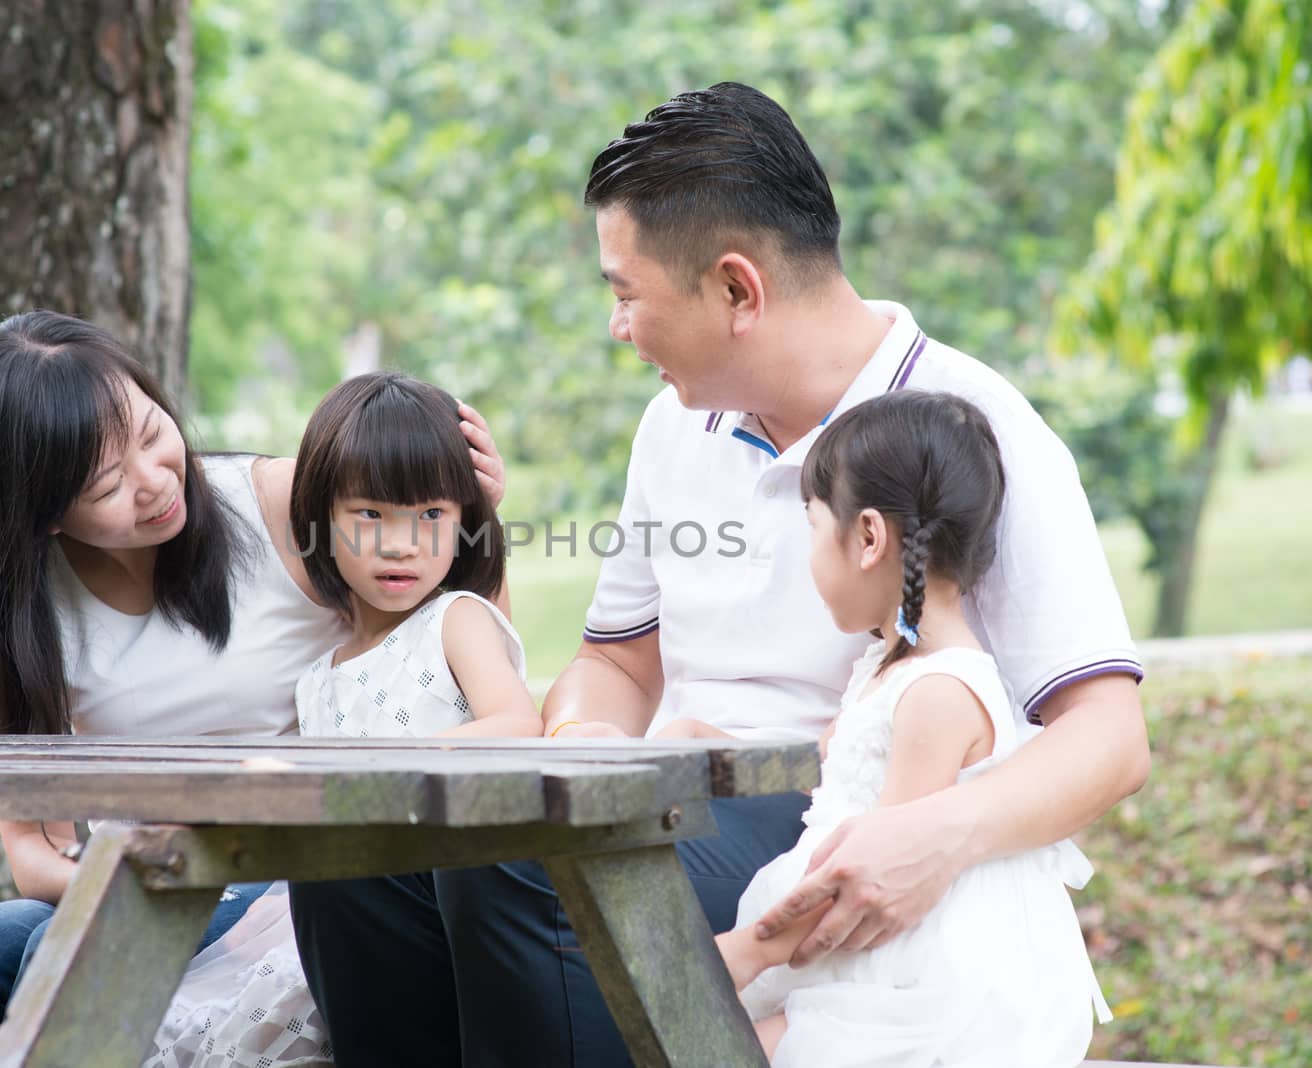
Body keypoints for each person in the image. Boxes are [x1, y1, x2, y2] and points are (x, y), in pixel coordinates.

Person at [289, 82, 1148, 1066]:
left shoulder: (970, 424)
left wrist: (936, 834)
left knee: (513, 868)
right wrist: (587, 753)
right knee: (354, 854)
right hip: (671, 791)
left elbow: (1109, 738)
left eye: (625, 293)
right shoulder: (674, 424)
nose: (617, 327)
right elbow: (614, 665)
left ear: (737, 289)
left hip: (827, 807)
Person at [0, 313, 507, 1068]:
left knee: (57, 970)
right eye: (107, 483)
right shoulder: (17, 611)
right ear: (42, 514)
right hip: (145, 875)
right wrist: (144, 878)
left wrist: (473, 510)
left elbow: (453, 633)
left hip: (298, 876)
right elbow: (37, 848)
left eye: (153, 434)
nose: (154, 483)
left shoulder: (281, 504)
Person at [143, 371, 540, 1067]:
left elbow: (515, 724)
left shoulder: (457, 621)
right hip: (324, 921)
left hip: (438, 905)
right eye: (370, 517)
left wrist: (370, 766)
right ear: (320, 524)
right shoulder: (317, 681)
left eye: (430, 518)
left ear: (463, 522)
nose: (400, 545)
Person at [713, 390, 1111, 1065]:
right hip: (862, 956)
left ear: (868, 537)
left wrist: (749, 952)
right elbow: (844, 774)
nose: (810, 554)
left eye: (812, 527)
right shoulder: (892, 664)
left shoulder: (938, 692)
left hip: (913, 983)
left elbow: (875, 870)